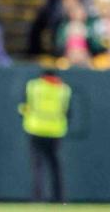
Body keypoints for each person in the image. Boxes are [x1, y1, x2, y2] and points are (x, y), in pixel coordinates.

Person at [19, 69, 71, 202]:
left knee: (37, 166)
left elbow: (23, 107)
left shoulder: (33, 86)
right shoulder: (64, 89)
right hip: (56, 130)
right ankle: (59, 198)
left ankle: (38, 197)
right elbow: (68, 111)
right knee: (55, 166)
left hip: (35, 128)